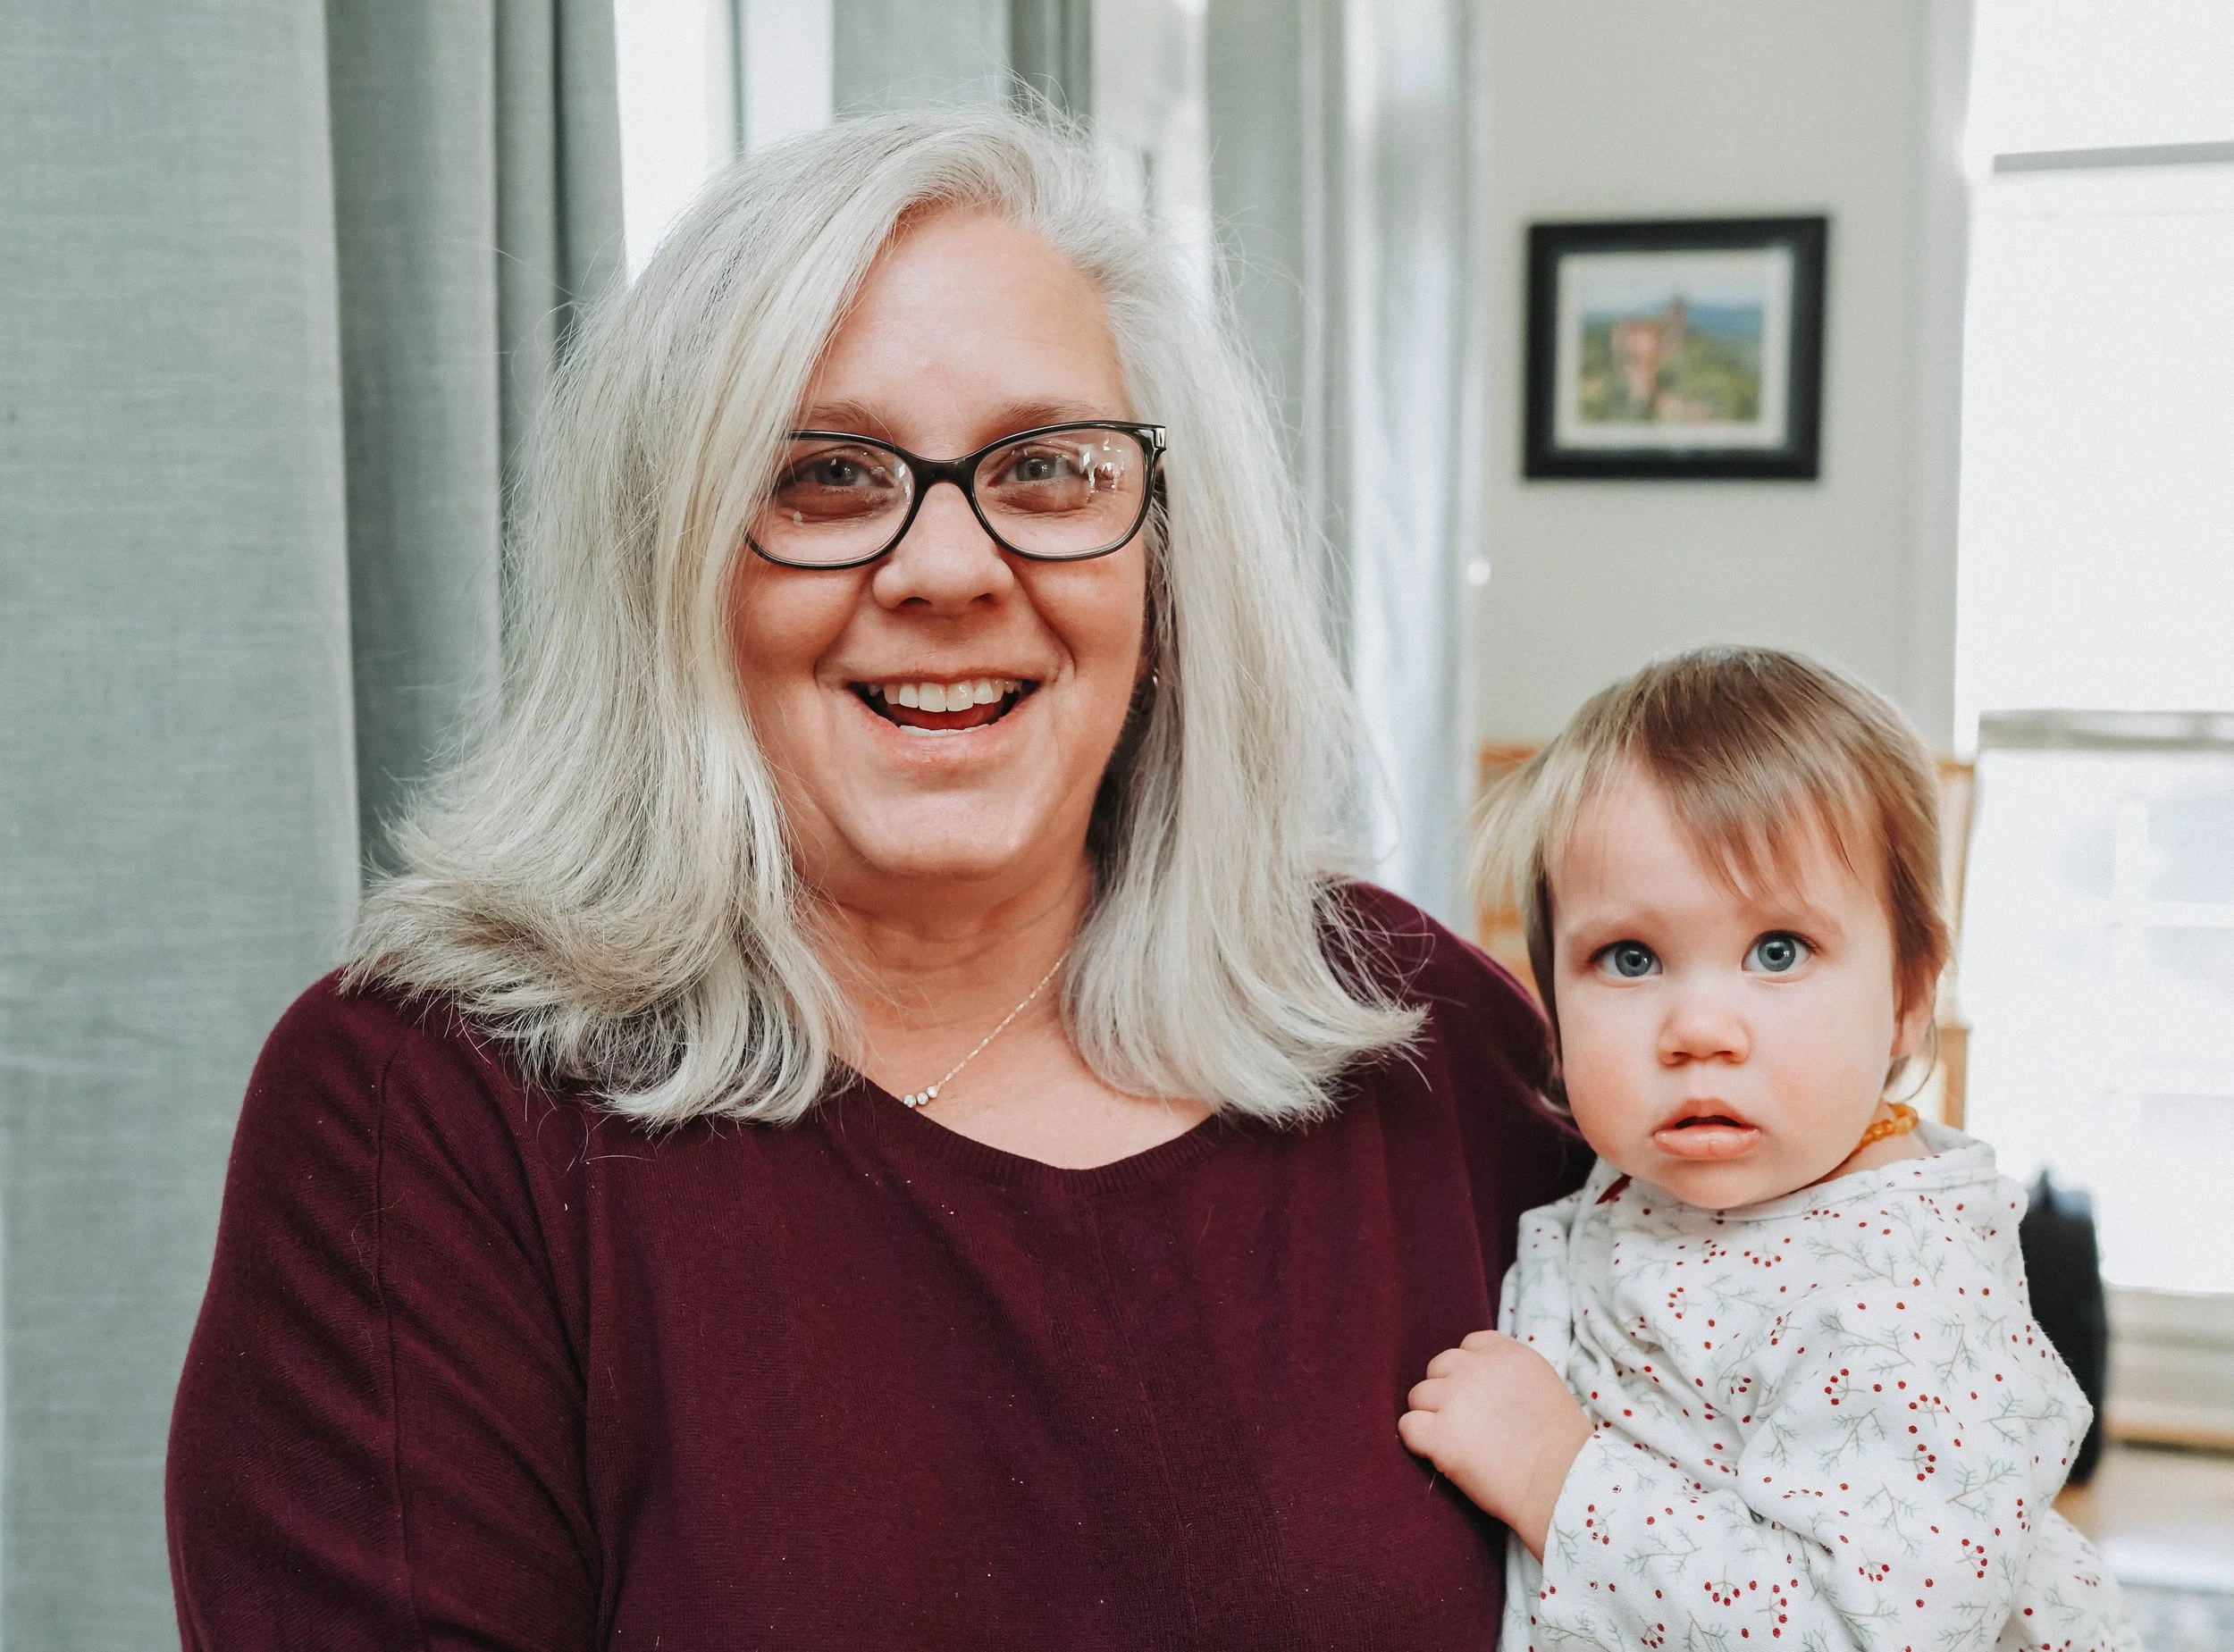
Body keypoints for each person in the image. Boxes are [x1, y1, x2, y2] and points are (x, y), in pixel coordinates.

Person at [164, 110, 1588, 1648]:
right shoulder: (425, 1112)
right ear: (674, 574)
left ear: (1168, 573)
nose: (949, 566)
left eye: (1047, 468)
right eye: (829, 476)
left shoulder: (1421, 1037)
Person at [1398, 646, 2139, 1652]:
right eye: (1628, 957)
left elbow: (1854, 1634)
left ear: (1907, 999)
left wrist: (1555, 1478)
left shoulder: (1908, 1297)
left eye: (1778, 951)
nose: (1698, 1026)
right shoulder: (1638, 1184)